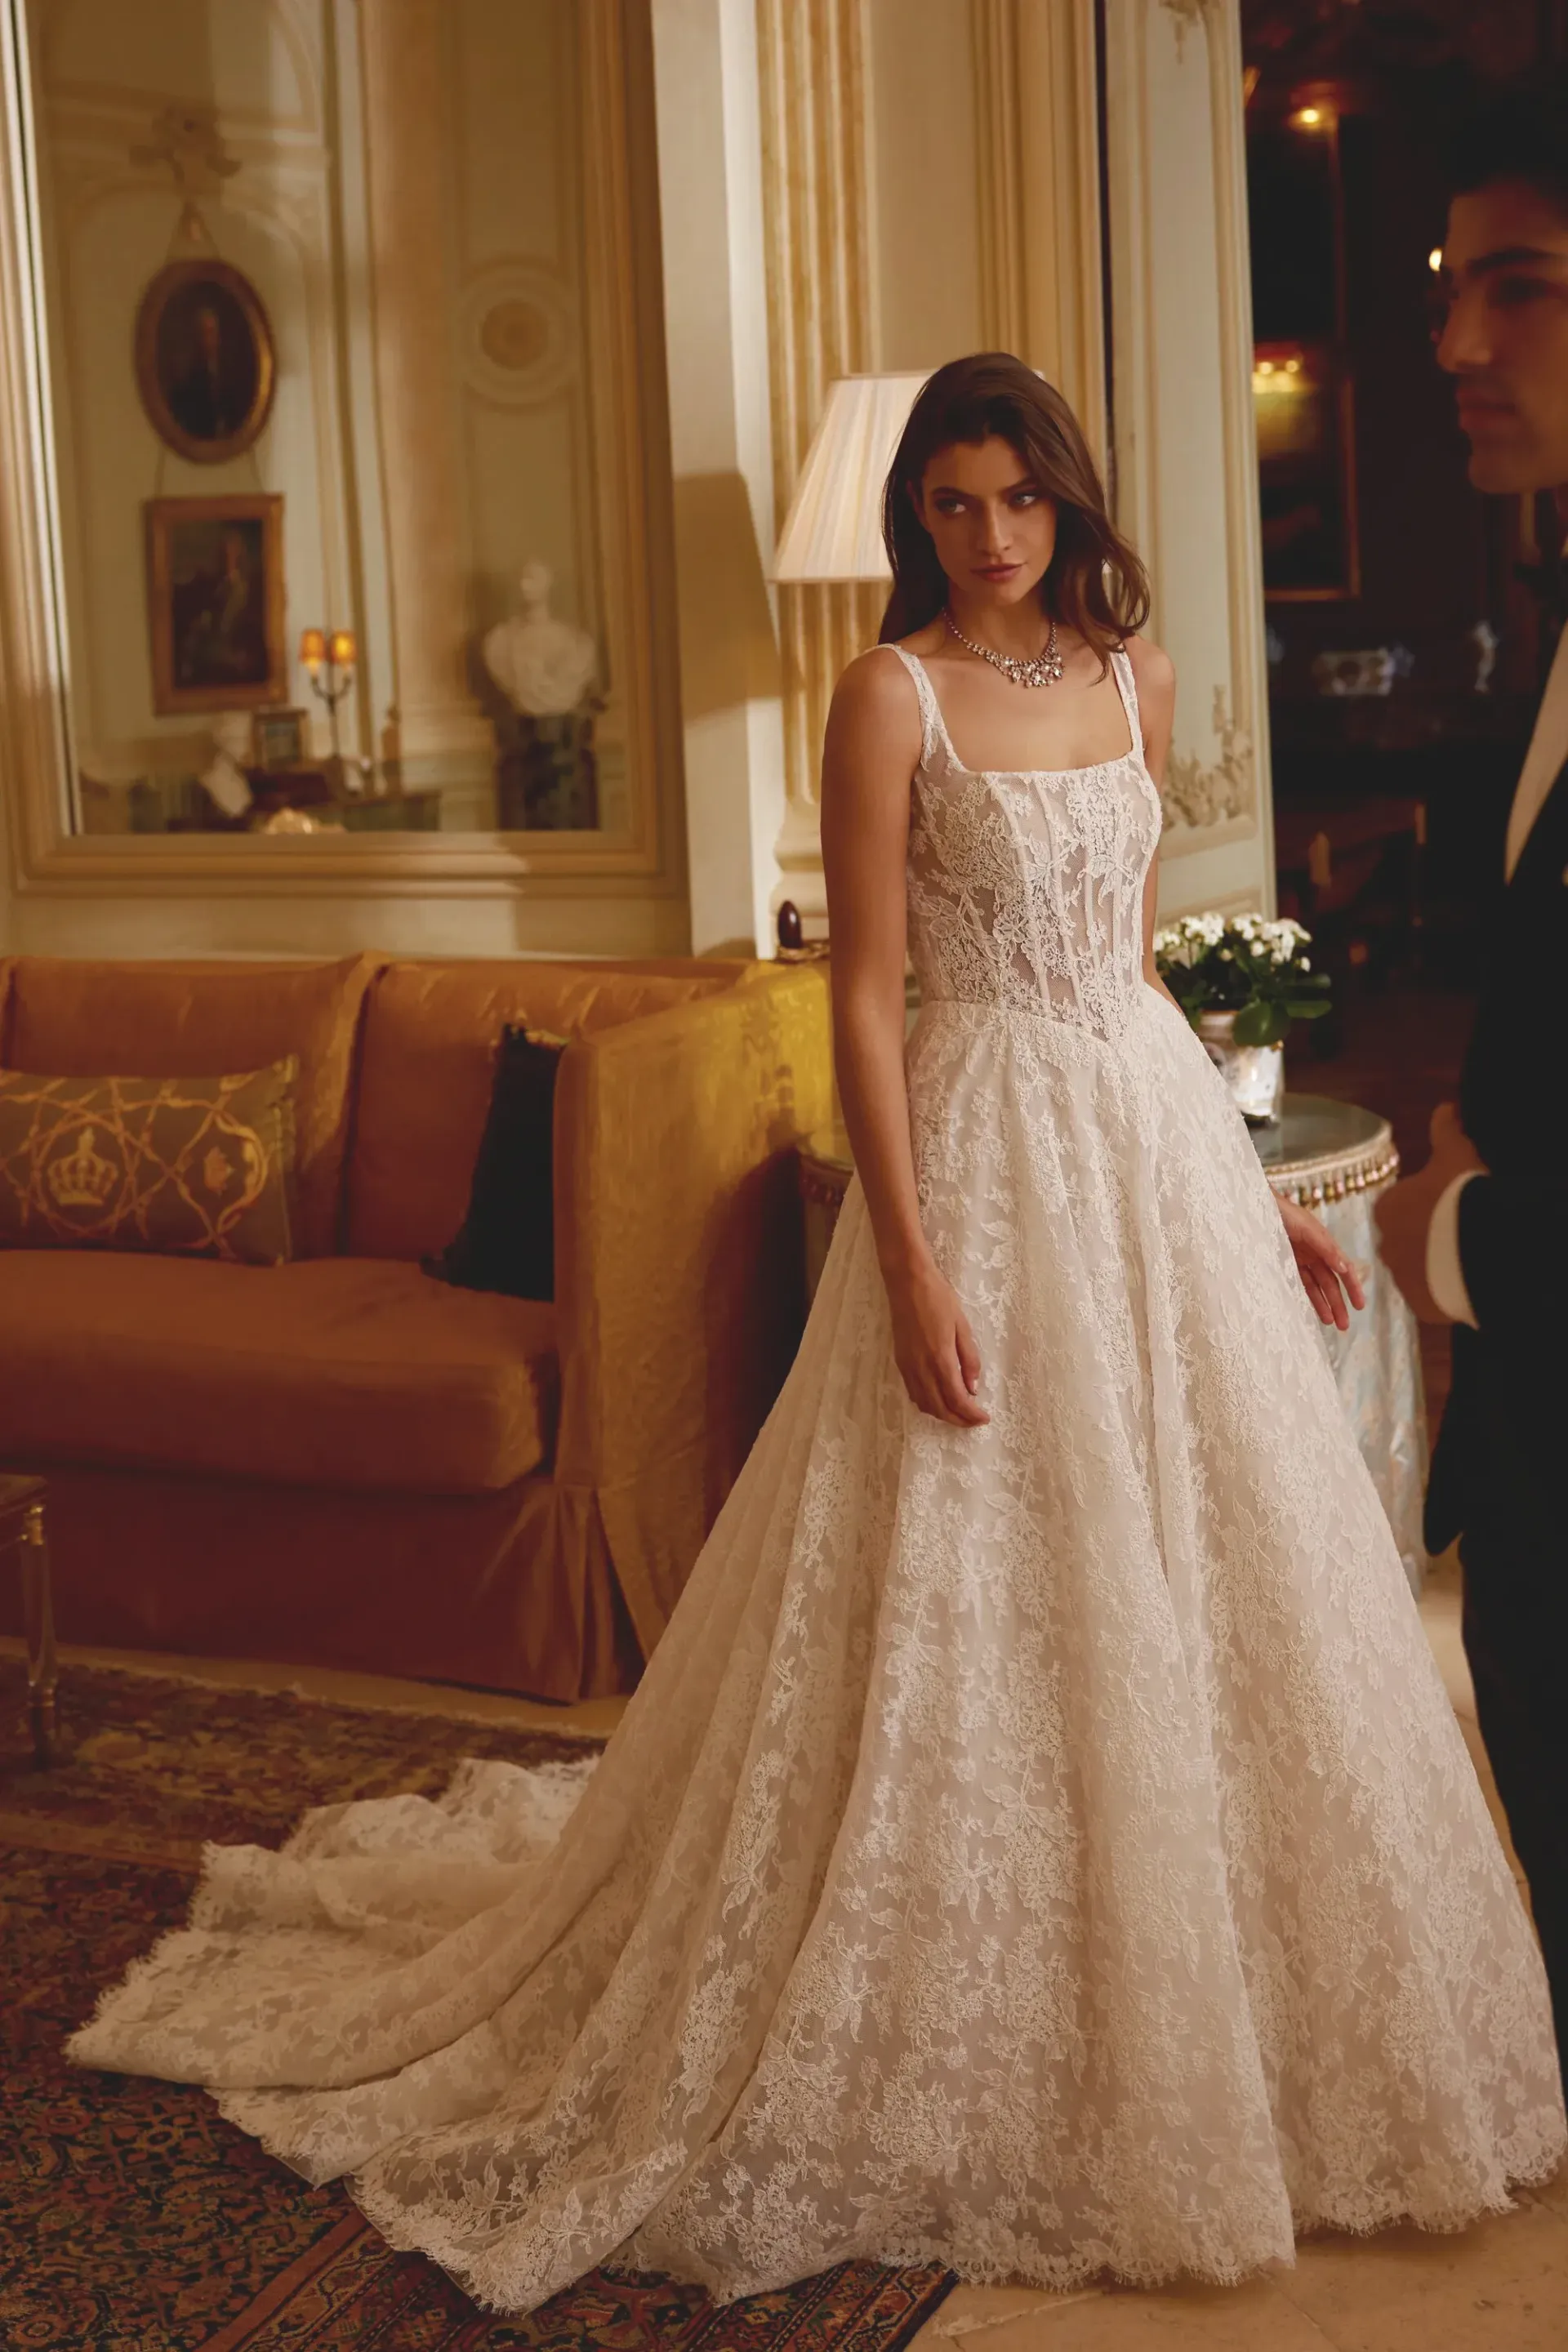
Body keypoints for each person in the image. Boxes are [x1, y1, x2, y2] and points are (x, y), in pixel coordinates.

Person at [69, 355, 1563, 2310]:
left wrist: (1247, 1193)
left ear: (1069, 499)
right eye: (952, 506)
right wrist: (916, 1256)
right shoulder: (892, 695)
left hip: (1134, 1143)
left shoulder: (1138, 676)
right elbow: (871, 1000)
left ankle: (1210, 1988)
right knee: (971, 1583)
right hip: (981, 1162)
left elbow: (1128, 979)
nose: (993, 536)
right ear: (915, 524)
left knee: (1204, 1577)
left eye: (1019, 499)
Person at [1374, 74, 1568, 2091]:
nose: (1451, 345)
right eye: (1451, 292)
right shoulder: (1549, 625)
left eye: (1512, 289)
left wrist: (1465, 1236)